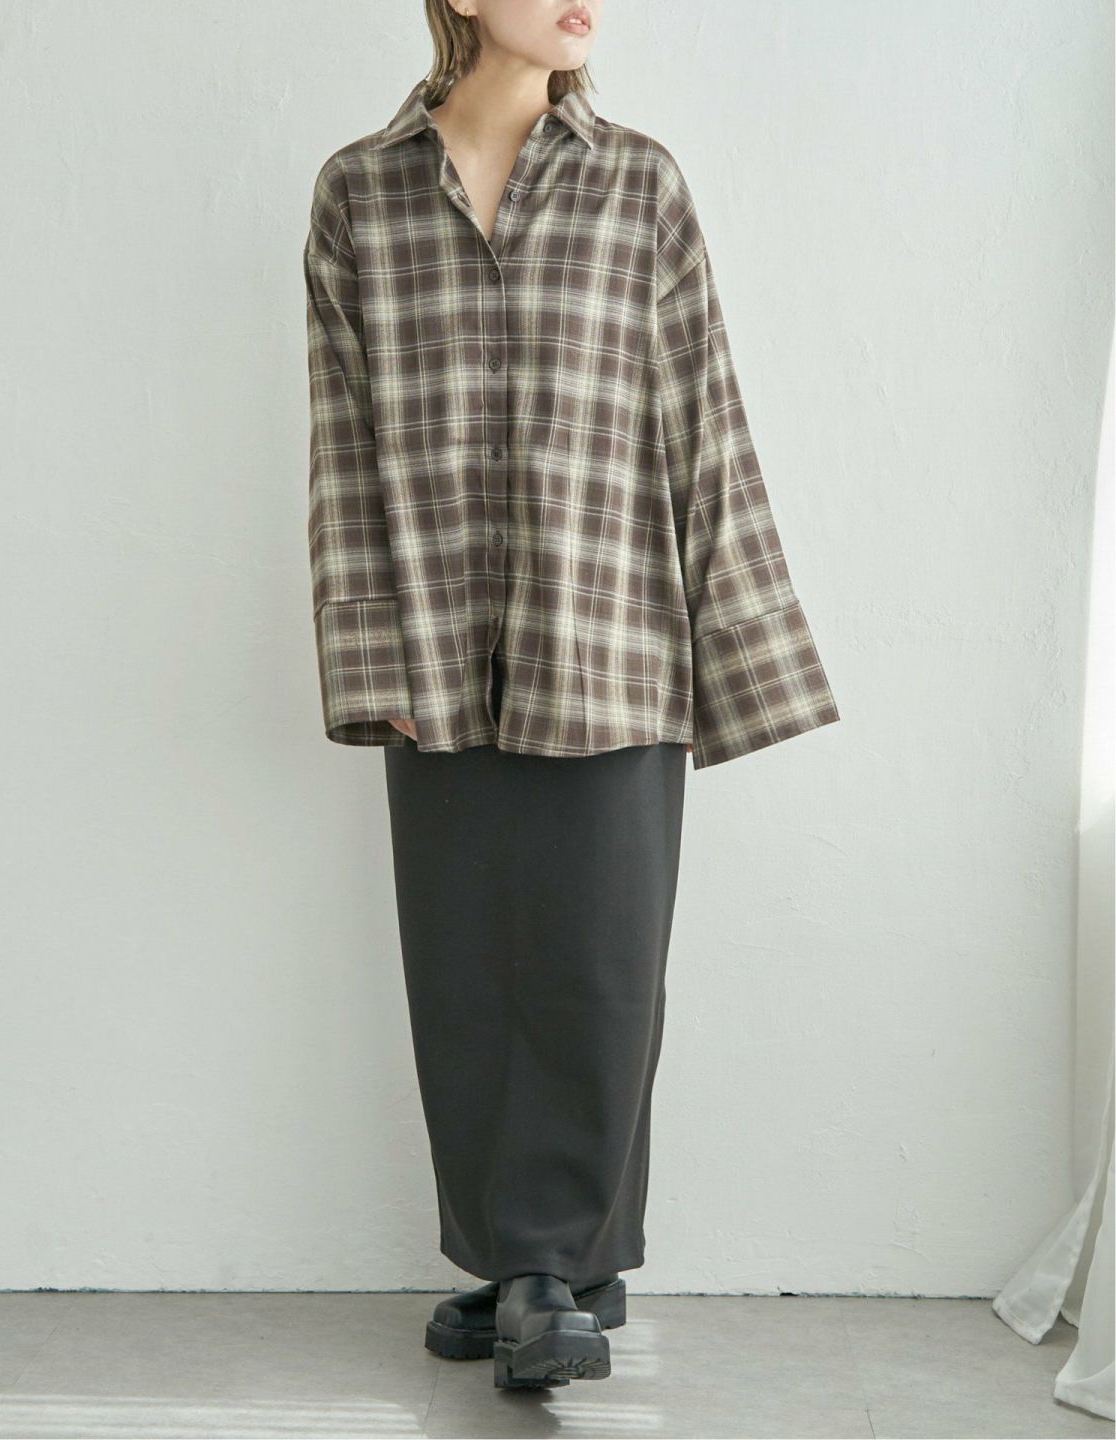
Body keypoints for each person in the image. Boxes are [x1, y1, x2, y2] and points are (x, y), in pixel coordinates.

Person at [303, 0, 840, 1392]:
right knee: (464, 966)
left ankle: (546, 1267)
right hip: (433, 645)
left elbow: (703, 419)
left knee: (596, 965)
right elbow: (342, 445)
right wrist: (370, 661)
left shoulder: (640, 184)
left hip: (610, 633)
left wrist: (741, 656)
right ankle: (538, 1267)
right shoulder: (359, 193)